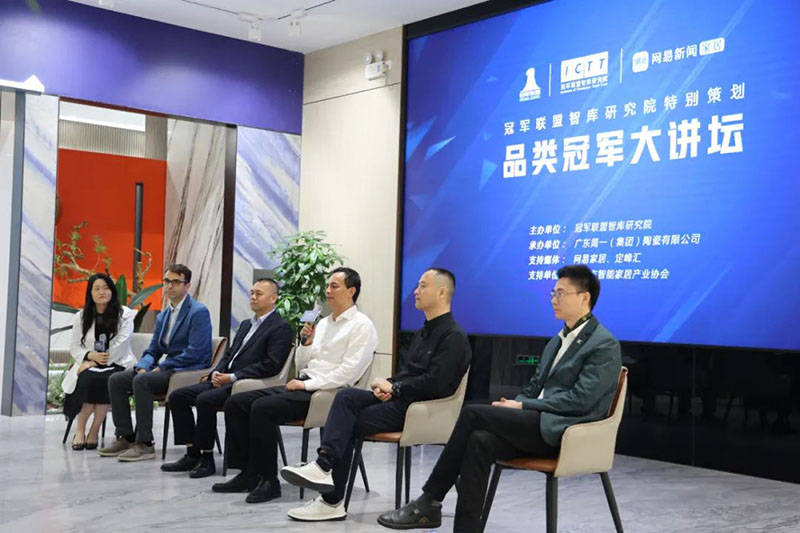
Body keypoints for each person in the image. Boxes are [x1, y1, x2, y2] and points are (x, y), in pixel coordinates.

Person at [377, 264, 622, 532]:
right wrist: (515, 405)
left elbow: (581, 400)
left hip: (566, 431)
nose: (554, 299)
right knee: (479, 441)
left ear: (584, 297)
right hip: (537, 422)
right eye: (553, 293)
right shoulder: (557, 340)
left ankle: (430, 500)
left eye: (561, 293)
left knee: (472, 413)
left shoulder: (603, 344)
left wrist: (524, 405)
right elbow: (534, 387)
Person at [280, 268, 471, 522]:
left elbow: (436, 384)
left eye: (423, 286)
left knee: (346, 423)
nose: (415, 291)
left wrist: (396, 388)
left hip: (420, 410)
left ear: (442, 292)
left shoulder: (454, 337)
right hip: (402, 399)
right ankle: (323, 467)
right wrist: (387, 385)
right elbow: (409, 374)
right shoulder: (422, 333)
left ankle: (330, 499)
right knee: (346, 398)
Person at [212, 267, 378, 504]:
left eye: (334, 286)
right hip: (306, 383)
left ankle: (269, 481)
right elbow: (301, 364)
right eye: (327, 286)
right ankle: (248, 472)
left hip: (328, 393)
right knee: (237, 402)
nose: (327, 291)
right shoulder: (323, 324)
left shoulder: (362, 325)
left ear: (351, 291)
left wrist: (307, 385)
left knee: (262, 408)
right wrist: (306, 343)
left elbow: (349, 373)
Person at [161, 278, 293, 478]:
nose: (253, 297)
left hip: (245, 385)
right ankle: (192, 453)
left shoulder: (280, 327)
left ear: (273, 298)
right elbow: (230, 354)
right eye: (252, 293)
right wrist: (216, 372)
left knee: (205, 400)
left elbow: (271, 365)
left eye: (259, 294)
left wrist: (232, 377)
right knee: (178, 396)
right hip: (225, 380)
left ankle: (207, 458)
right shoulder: (247, 324)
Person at [98, 264, 212, 462]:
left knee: (142, 381)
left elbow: (195, 353)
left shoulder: (198, 312)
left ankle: (145, 443)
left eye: (176, 282)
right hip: (167, 369)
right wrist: (142, 366)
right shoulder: (164, 315)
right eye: (167, 281)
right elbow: (154, 350)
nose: (170, 286)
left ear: (187, 286)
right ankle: (126, 437)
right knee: (116, 380)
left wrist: (161, 367)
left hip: (186, 370)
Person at [62, 273, 137, 450]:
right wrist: (89, 356)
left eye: (106, 288)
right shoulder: (81, 316)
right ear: (90, 293)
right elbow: (74, 346)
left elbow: (121, 345)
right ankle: (80, 431)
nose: (102, 292)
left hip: (117, 361)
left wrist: (96, 361)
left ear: (112, 291)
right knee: (87, 379)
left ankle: (94, 431)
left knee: (107, 381)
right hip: (88, 362)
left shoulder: (125, 314)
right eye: (97, 288)